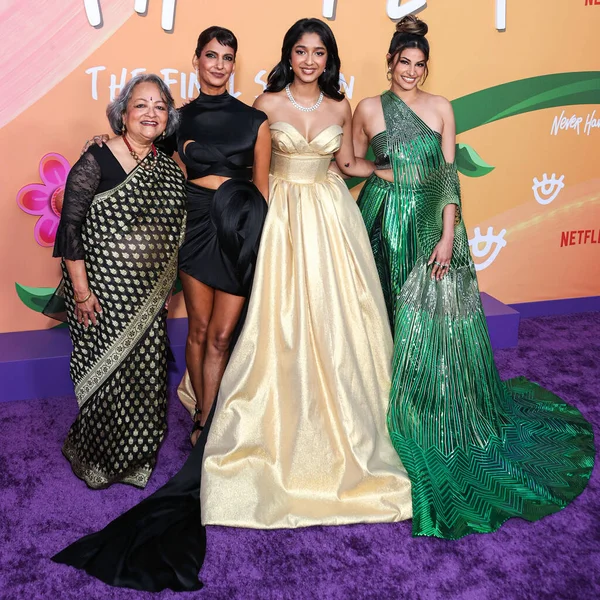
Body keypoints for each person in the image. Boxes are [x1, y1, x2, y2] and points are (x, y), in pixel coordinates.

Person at [353, 15, 595, 539]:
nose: (411, 72)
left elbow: (446, 177)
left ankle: (432, 413)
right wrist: (377, 171)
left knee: (436, 325)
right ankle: (381, 410)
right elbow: (349, 161)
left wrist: (447, 235)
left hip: (429, 224)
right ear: (391, 60)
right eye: (404, 62)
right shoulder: (368, 108)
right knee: (384, 313)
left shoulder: (442, 108)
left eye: (420, 65)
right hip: (381, 218)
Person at [200, 17, 412, 529]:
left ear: (328, 58)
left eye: (319, 52)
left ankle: (349, 425)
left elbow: (344, 163)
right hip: (279, 216)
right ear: (288, 56)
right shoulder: (266, 105)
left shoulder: (342, 106)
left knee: (340, 318)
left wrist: (385, 170)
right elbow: (250, 169)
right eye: (301, 51)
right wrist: (251, 224)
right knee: (281, 321)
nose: (310, 60)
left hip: (332, 216)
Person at [49, 73, 186, 489]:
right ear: (122, 113)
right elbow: (70, 229)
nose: (151, 113)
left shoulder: (168, 168)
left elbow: (174, 231)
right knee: (107, 377)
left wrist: (163, 289)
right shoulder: (95, 160)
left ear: (168, 119)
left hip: (149, 296)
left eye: (160, 106)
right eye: (141, 104)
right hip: (100, 294)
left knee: (144, 375)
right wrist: (82, 292)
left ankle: (135, 453)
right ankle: (95, 455)